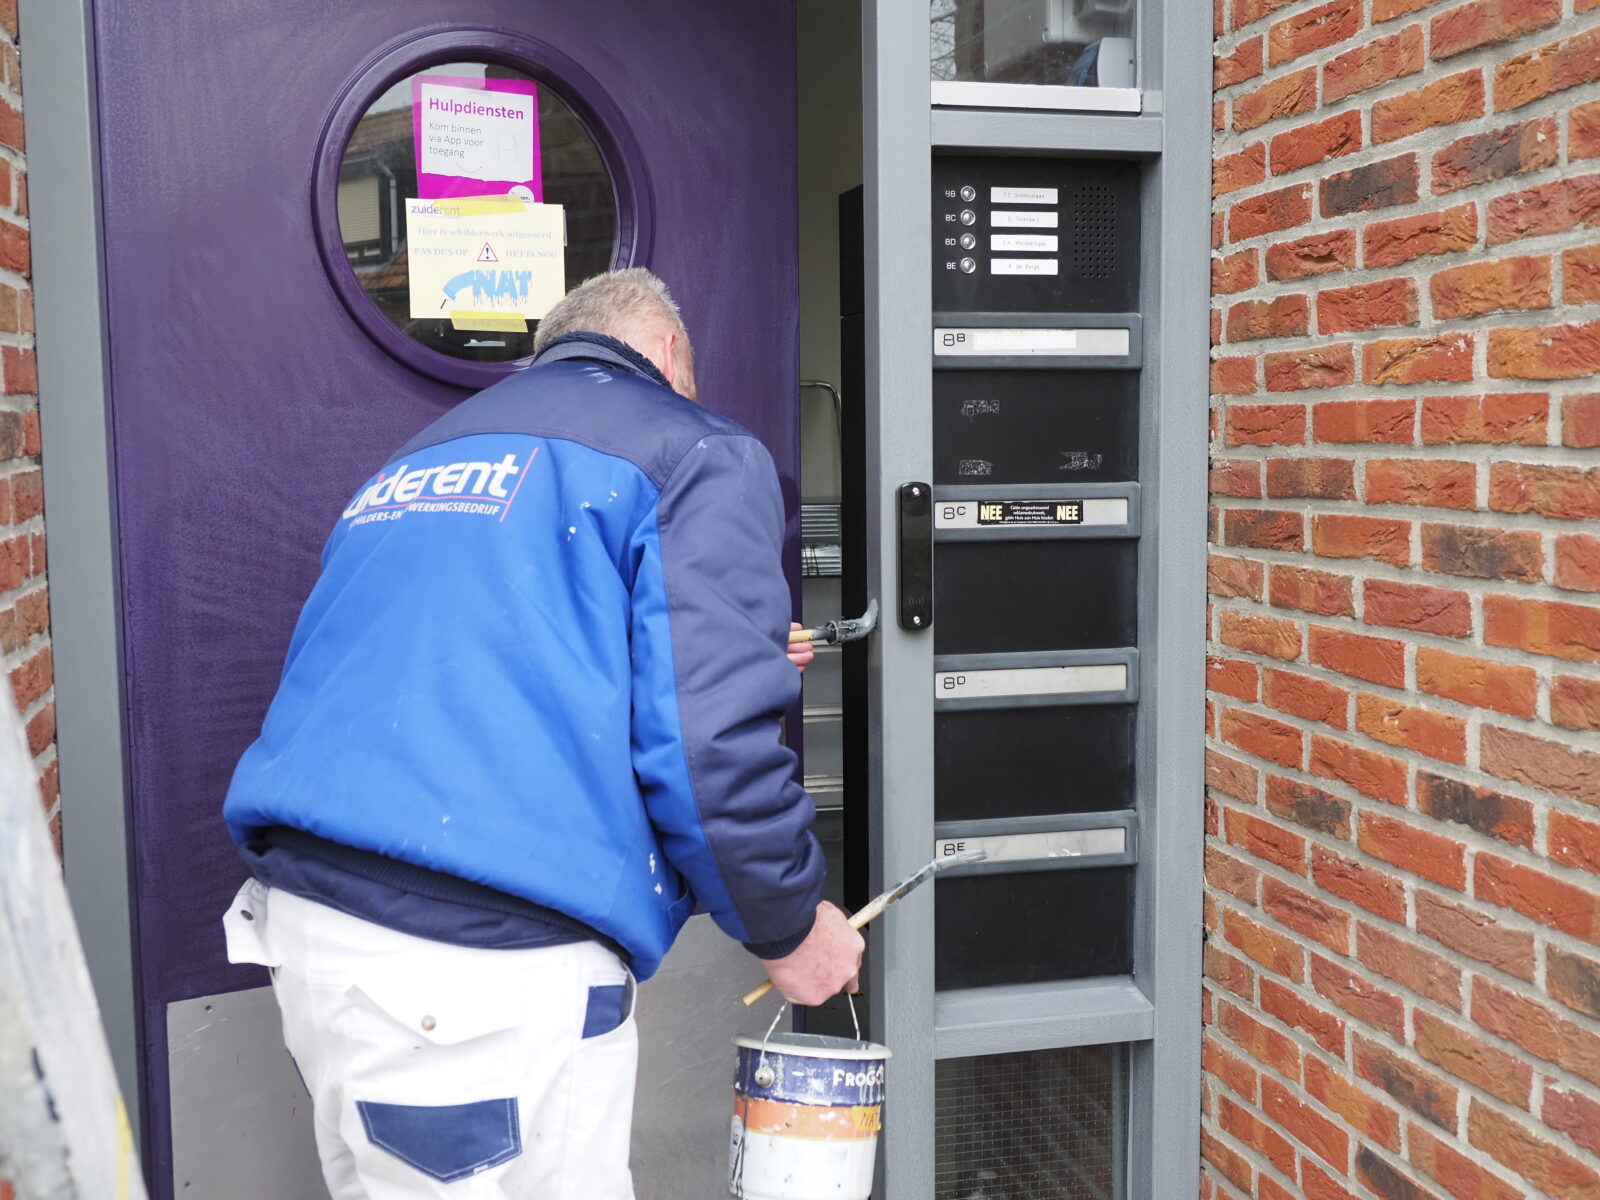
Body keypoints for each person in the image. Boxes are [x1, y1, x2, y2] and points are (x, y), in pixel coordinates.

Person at [219, 268, 863, 1199]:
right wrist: (795, 929)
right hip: (473, 976)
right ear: (671, 356)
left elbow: (504, 663)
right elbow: (710, 749)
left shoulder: (421, 459)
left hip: (317, 940)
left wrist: (723, 659)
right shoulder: (695, 449)